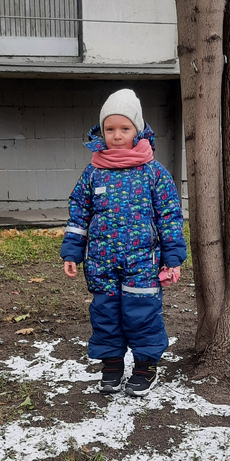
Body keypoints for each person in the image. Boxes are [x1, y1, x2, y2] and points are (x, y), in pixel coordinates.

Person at [61, 89, 187, 397]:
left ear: (138, 130)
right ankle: (112, 365)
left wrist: (173, 258)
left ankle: (145, 366)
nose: (117, 136)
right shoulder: (93, 173)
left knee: (141, 314)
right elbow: (79, 213)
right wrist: (72, 252)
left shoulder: (153, 173)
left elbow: (169, 216)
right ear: (102, 132)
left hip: (142, 264)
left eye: (124, 129)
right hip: (102, 263)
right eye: (110, 129)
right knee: (105, 315)